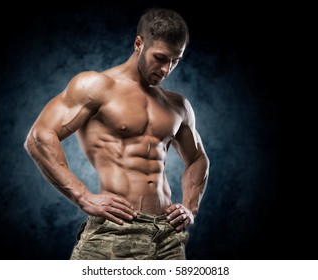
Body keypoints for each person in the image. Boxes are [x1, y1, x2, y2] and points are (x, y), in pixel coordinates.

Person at [24, 7, 210, 260]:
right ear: (138, 43)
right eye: (160, 58)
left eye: (175, 61)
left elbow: (198, 159)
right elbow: (39, 137)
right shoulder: (96, 86)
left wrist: (190, 207)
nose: (167, 69)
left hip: (168, 237)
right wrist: (83, 196)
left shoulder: (178, 105)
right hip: (115, 230)